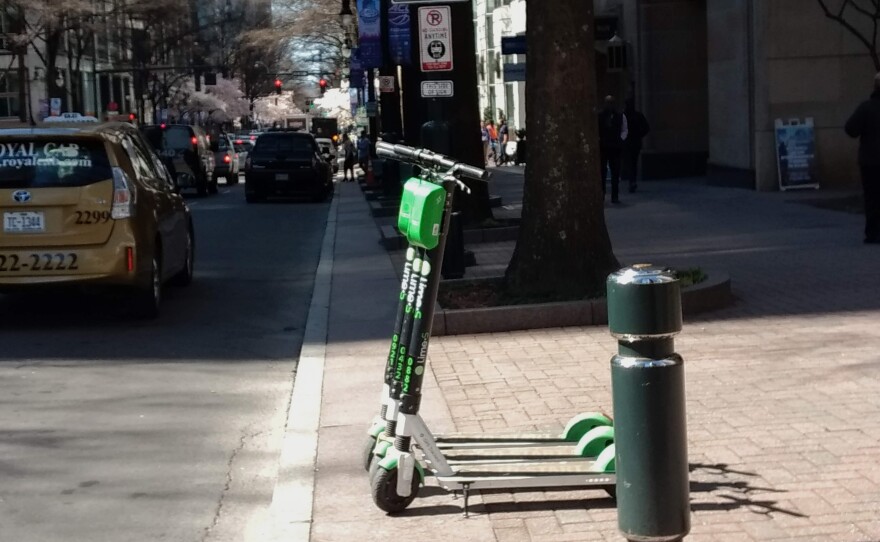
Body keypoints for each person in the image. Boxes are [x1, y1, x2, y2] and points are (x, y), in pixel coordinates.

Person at [845, 72, 880, 244]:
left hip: (870, 160)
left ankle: (873, 233)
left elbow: (850, 129)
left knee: (872, 197)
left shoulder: (866, 107)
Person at [598, 95, 628, 203]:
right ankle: (602, 194)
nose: (609, 105)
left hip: (615, 147)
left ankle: (615, 196)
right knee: (602, 171)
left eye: (611, 102)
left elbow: (624, 129)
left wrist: (620, 139)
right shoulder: (600, 116)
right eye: (607, 102)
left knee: (615, 172)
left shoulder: (620, 116)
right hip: (603, 147)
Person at [623, 99, 650, 193]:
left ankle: (632, 181)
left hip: (629, 142)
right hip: (634, 142)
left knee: (631, 162)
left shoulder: (625, 116)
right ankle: (632, 180)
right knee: (633, 162)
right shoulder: (637, 115)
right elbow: (646, 128)